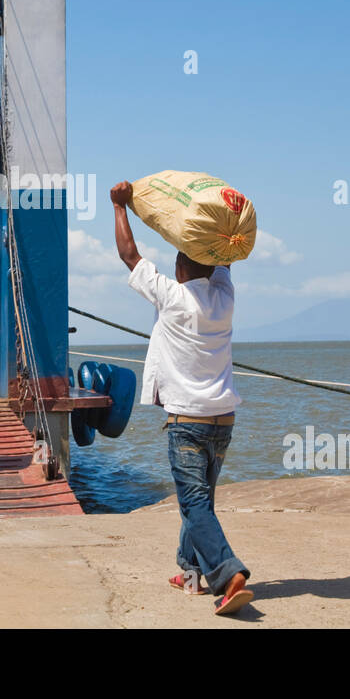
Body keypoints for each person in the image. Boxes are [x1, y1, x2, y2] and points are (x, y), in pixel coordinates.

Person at [110, 180, 254, 616]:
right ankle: (191, 574)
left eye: (177, 259)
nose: (173, 266)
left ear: (183, 269)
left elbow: (129, 256)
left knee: (192, 502)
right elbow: (222, 260)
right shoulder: (225, 297)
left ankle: (229, 574)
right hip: (223, 419)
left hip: (188, 423)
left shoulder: (172, 298)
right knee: (201, 499)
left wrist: (120, 207)